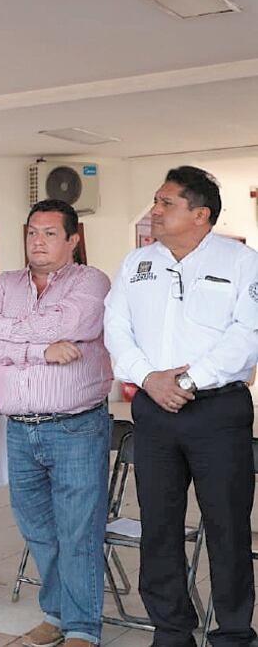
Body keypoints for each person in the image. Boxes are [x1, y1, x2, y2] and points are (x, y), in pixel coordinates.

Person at [105, 166, 258, 647]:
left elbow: (247, 335)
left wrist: (189, 380)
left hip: (218, 410)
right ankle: (171, 630)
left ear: (200, 214)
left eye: (165, 203)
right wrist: (149, 379)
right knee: (159, 524)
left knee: (227, 527)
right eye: (155, 201)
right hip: (153, 409)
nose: (154, 210)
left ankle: (233, 632)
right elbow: (117, 327)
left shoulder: (241, 262)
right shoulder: (137, 264)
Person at [0, 200, 112, 647]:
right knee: (37, 529)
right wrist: (40, 349)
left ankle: (81, 627)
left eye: (51, 233)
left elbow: (70, 322)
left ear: (73, 239)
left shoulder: (91, 282)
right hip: (19, 428)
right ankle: (56, 612)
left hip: (75, 426)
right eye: (33, 231)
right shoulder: (4, 283)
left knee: (77, 530)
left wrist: (1, 329)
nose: (38, 240)